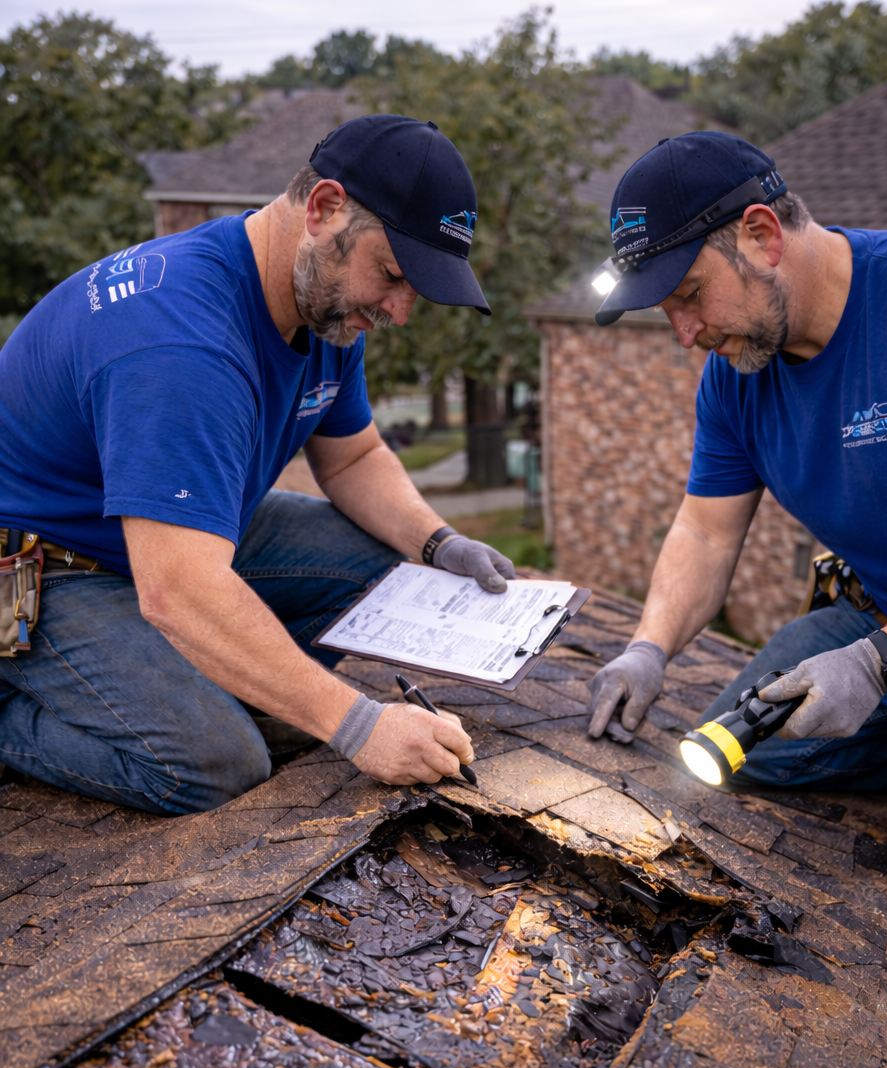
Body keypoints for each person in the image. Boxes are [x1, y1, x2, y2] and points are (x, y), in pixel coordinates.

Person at [0, 114, 513, 814]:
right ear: (324, 210)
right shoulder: (182, 345)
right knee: (214, 762)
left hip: (169, 535)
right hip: (39, 565)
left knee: (385, 571)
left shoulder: (322, 304)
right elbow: (176, 589)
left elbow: (354, 455)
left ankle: (220, 678)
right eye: (392, 275)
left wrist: (439, 542)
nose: (397, 311)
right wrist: (358, 726)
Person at [586, 132, 887, 917]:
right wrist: (646, 650)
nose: (686, 334)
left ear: (761, 234)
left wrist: (873, 668)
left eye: (689, 294)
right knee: (729, 753)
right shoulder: (737, 375)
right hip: (879, 622)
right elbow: (707, 532)